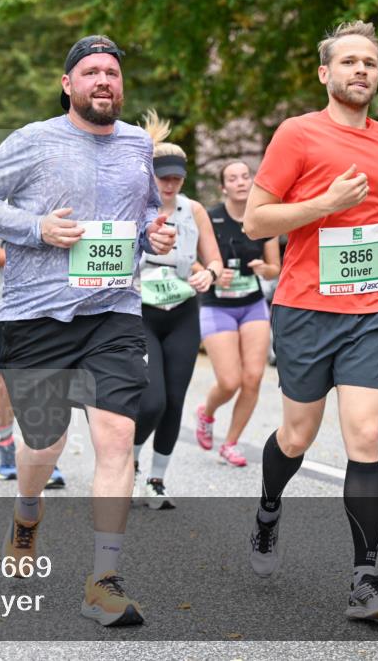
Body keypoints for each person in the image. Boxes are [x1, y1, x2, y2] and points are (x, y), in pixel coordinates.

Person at [0, 35, 176, 627]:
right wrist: (35, 228)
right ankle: (27, 514)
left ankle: (103, 580)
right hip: (36, 315)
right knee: (45, 444)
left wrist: (152, 238)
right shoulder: (32, 141)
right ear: (68, 85)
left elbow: (146, 214)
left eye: (111, 72)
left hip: (114, 312)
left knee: (114, 437)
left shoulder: (136, 144)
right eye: (90, 72)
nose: (103, 81)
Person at [242, 21, 378, 622]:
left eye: (369, 63)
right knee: (297, 434)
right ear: (326, 73)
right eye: (349, 62)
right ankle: (269, 505)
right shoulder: (297, 134)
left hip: (371, 307)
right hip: (305, 307)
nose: (360, 71)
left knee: (365, 437)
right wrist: (323, 207)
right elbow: (255, 222)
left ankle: (365, 582)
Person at [133, 111, 223, 508]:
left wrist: (210, 275)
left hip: (183, 309)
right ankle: (129, 466)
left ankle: (157, 479)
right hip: (140, 307)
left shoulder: (195, 211)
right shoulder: (134, 206)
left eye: (176, 179)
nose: (169, 185)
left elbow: (215, 261)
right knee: (151, 400)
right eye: (162, 177)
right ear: (149, 175)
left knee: (174, 400)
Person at [195, 160, 282, 466]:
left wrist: (263, 269)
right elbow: (191, 261)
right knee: (230, 381)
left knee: (254, 377)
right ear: (224, 187)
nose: (241, 182)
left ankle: (230, 443)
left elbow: (275, 269)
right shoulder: (210, 217)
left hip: (252, 304)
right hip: (217, 305)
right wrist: (212, 271)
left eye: (246, 176)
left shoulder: (264, 217)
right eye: (233, 178)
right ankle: (206, 413)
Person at [0, 227, 68, 487]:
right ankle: (5, 444)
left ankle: (43, 454)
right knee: (5, 382)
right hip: (4, 306)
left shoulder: (55, 196)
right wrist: (39, 257)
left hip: (48, 306)